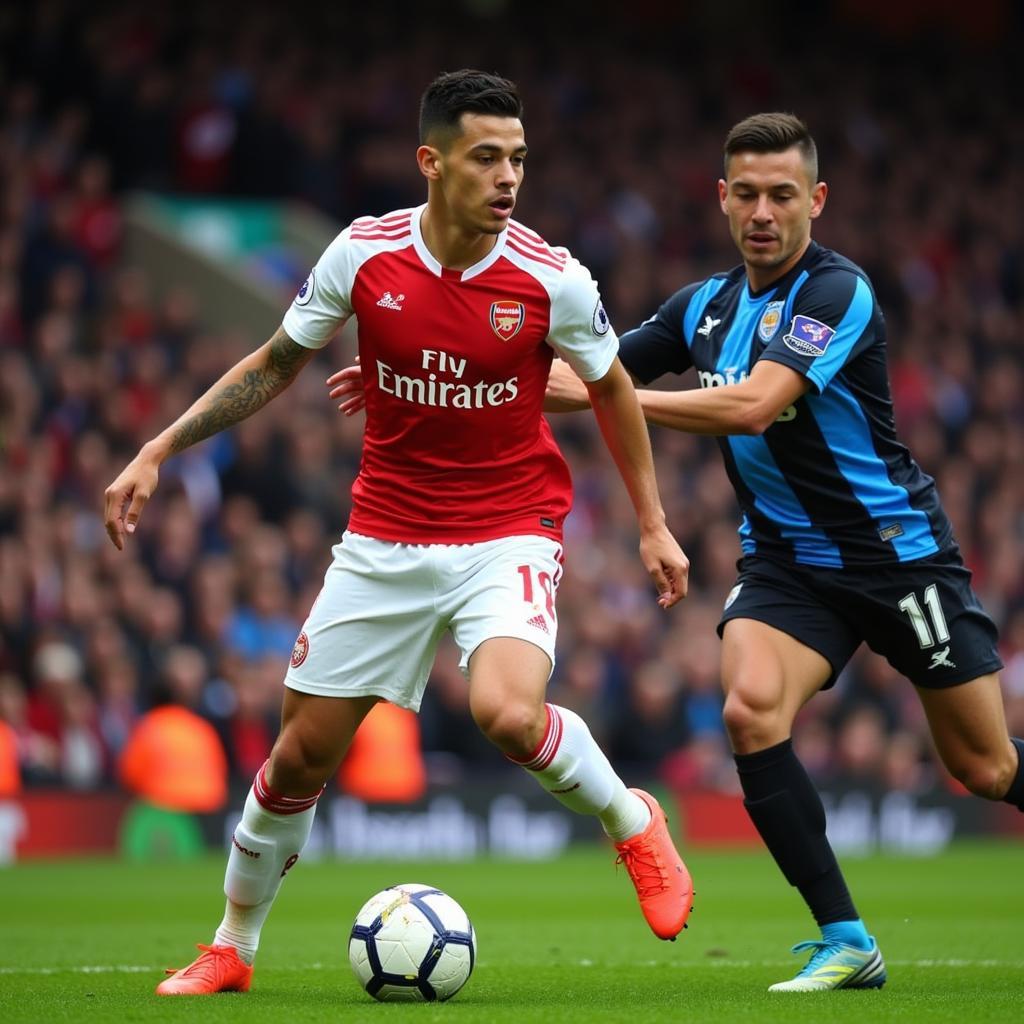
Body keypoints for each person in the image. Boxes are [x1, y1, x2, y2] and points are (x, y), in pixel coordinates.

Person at [103, 70, 693, 997]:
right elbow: (275, 362)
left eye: (519, 160)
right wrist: (160, 446)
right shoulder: (364, 255)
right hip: (385, 536)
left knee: (505, 712)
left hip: (508, 529)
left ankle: (632, 823)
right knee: (297, 758)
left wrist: (653, 525)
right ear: (432, 161)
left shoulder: (551, 276)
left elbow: (613, 386)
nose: (508, 179)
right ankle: (232, 947)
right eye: (487, 158)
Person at [543, 112, 1024, 993]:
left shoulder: (840, 293)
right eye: (748, 194)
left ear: (817, 201)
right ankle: (847, 939)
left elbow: (755, 404)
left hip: (897, 558)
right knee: (749, 711)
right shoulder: (702, 307)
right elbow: (586, 375)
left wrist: (629, 402)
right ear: (722, 199)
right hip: (790, 563)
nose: (764, 212)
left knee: (985, 768)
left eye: (783, 195)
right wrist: (463, 377)